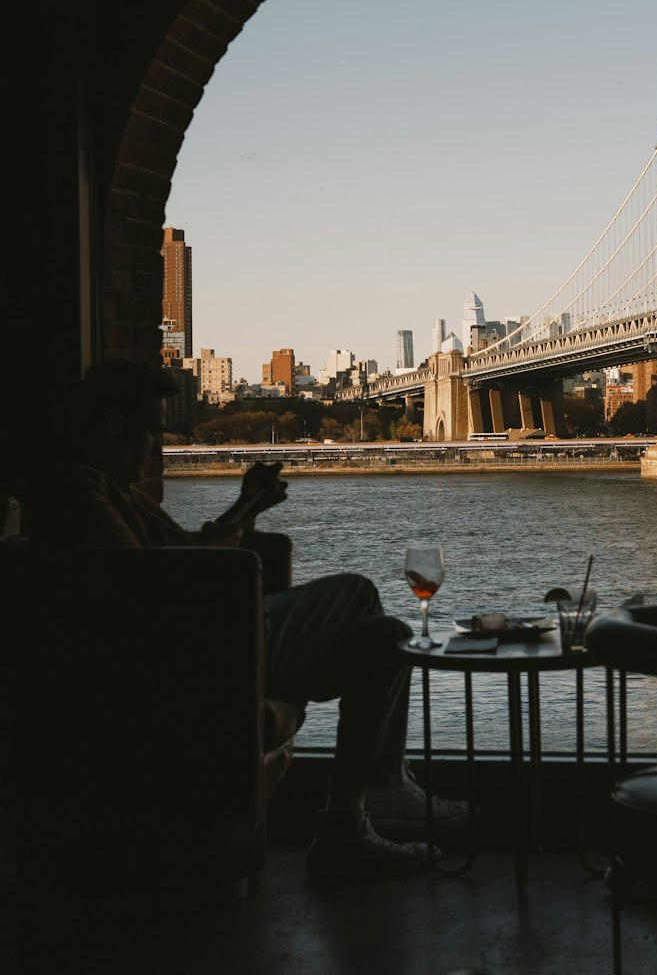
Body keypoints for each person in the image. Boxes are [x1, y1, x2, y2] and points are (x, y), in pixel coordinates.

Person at [39, 359, 469, 883]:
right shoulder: (83, 493)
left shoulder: (114, 490)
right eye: (150, 431)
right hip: (200, 651)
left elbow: (188, 554)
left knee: (388, 638)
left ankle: (346, 825)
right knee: (356, 591)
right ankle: (385, 785)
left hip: (208, 641)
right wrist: (244, 511)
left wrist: (247, 507)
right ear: (111, 424)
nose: (156, 448)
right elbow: (150, 585)